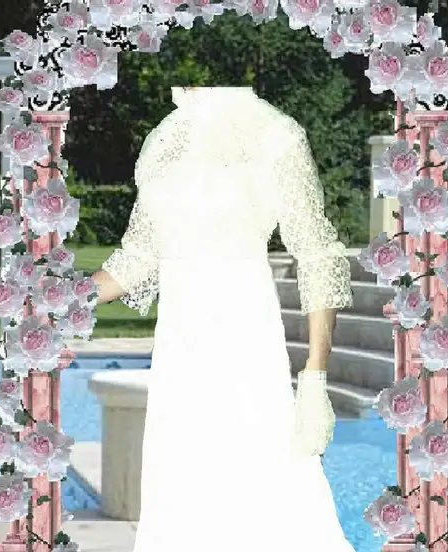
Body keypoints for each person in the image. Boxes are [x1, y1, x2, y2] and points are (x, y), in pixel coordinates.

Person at [91, 85, 356, 551]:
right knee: (182, 507)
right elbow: (137, 257)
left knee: (269, 502)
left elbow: (318, 254)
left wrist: (315, 378)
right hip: (180, 355)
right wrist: (60, 297)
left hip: (246, 344)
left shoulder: (276, 134)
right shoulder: (165, 138)